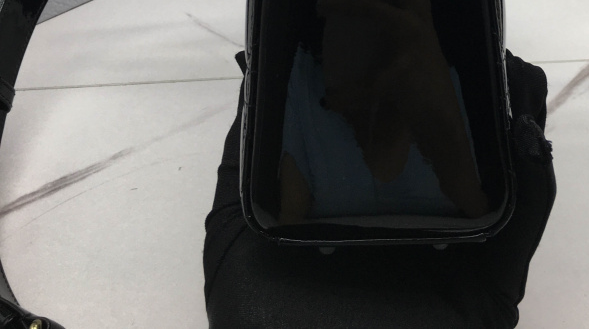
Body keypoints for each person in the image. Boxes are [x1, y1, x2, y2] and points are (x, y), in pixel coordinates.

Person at [204, 49, 555, 329]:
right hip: (441, 275)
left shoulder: (443, 78)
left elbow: (473, 202)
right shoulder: (305, 83)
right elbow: (291, 214)